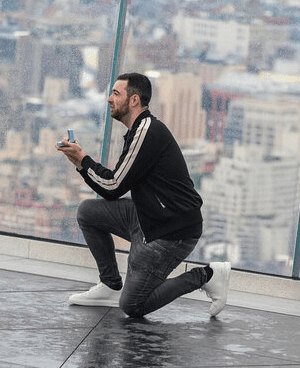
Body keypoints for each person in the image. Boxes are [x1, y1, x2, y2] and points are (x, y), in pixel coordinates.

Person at [56, 72, 231, 317]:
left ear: (134, 100)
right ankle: (110, 285)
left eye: (116, 94)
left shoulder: (146, 131)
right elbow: (116, 185)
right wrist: (81, 162)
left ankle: (206, 275)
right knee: (88, 212)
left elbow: (113, 186)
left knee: (132, 306)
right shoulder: (138, 130)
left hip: (171, 231)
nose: (109, 99)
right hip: (147, 217)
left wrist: (81, 160)